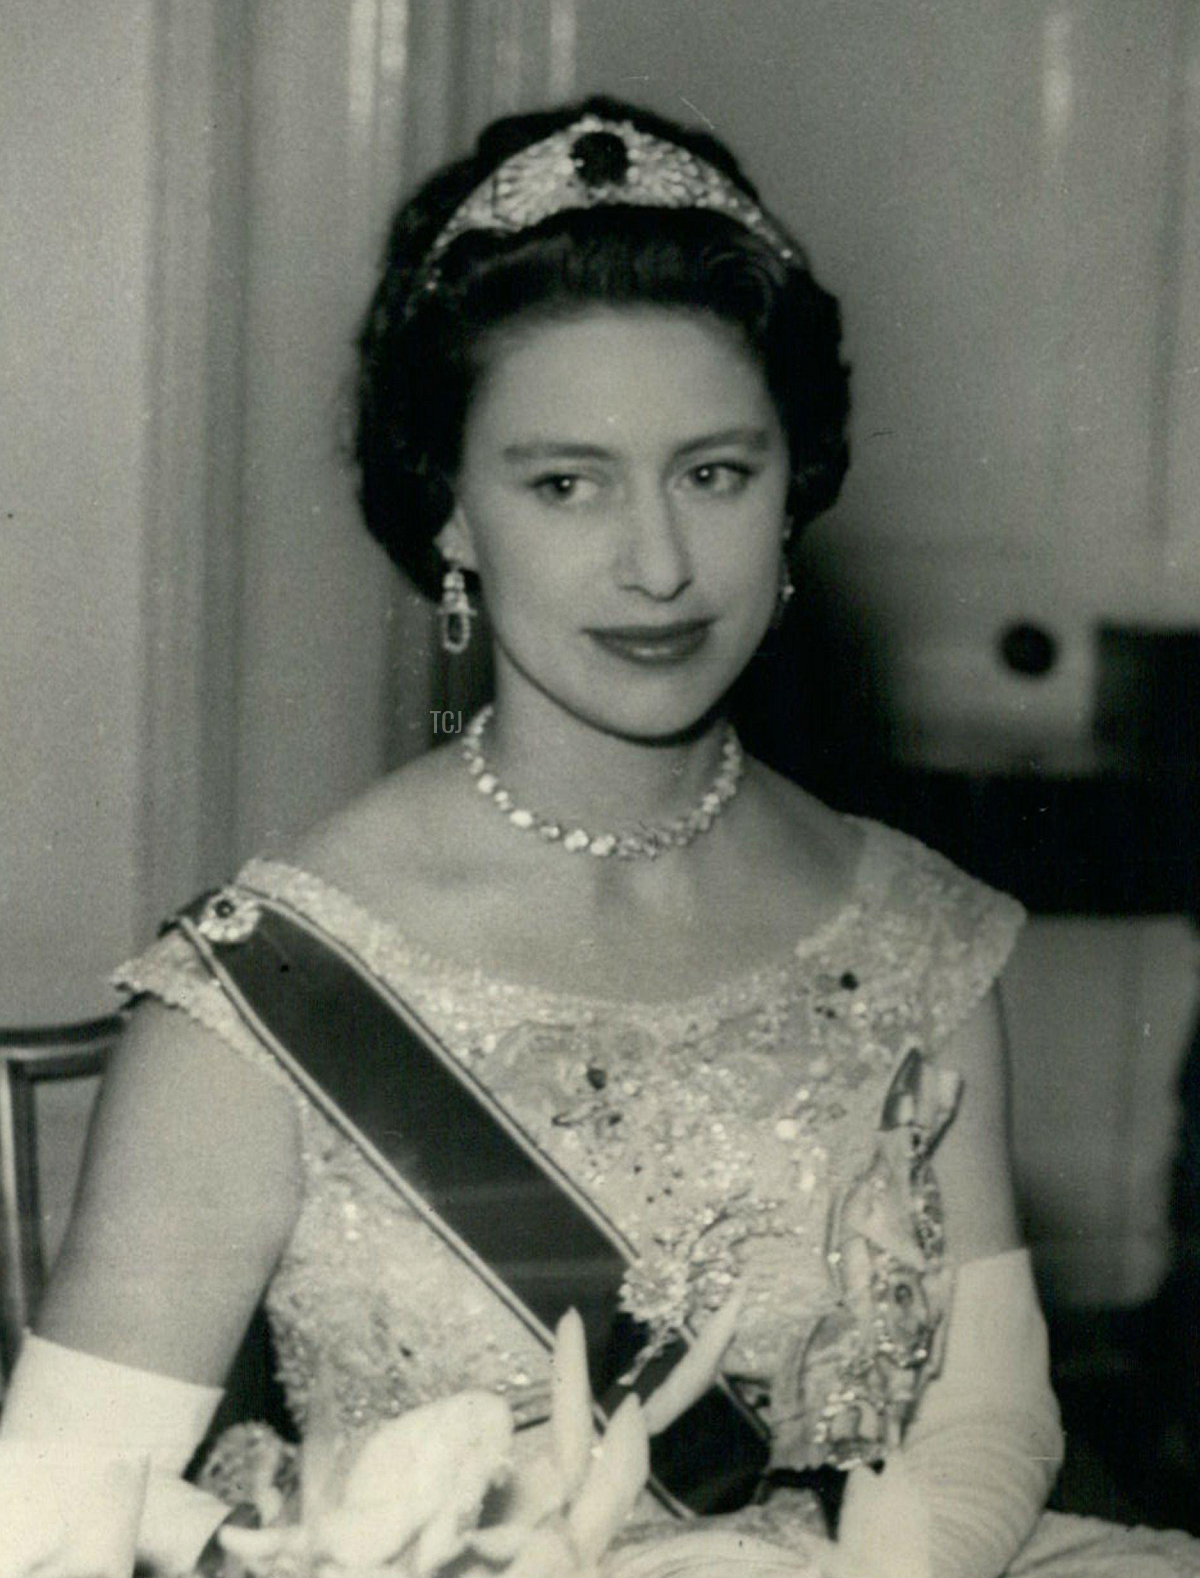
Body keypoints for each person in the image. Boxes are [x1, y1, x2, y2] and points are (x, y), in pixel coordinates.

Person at [2, 95, 1198, 1578]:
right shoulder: (262, 995)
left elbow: (988, 1414)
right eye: (565, 482)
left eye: (715, 472)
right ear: (450, 511)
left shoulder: (919, 934)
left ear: (790, 493)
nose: (658, 565)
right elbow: (51, 1518)